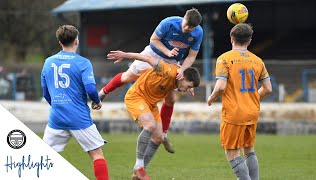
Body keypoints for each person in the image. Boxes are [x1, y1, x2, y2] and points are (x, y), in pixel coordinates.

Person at [97, 8, 203, 153]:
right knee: (128, 77)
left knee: (171, 99)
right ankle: (103, 92)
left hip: (172, 62)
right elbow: (153, 40)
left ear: (195, 27)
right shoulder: (169, 23)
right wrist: (167, 52)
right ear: (183, 17)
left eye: (190, 27)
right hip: (153, 54)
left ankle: (164, 134)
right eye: (186, 25)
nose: (186, 29)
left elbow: (191, 56)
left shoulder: (198, 33)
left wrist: (183, 70)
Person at [107, 50, 201, 180]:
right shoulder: (167, 70)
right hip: (136, 97)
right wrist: (125, 55)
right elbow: (145, 58)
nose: (186, 89)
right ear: (183, 78)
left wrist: (189, 86)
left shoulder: (180, 78)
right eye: (188, 86)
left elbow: (184, 76)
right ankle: (138, 166)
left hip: (151, 104)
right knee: (150, 125)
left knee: (158, 138)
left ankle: (139, 174)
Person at [41, 25, 109, 180]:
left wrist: (58, 106)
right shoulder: (83, 63)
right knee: (97, 155)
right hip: (79, 118)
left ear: (60, 42)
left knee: (43, 159)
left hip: (56, 118)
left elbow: (46, 92)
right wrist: (97, 101)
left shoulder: (48, 62)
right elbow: (91, 89)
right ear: (76, 41)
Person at [207, 23, 272, 180]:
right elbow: (268, 88)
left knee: (232, 152)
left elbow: (221, 86)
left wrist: (212, 96)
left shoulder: (224, 59)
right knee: (249, 149)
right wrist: (251, 98)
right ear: (249, 41)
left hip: (234, 113)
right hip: (252, 110)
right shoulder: (258, 61)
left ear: (231, 39)